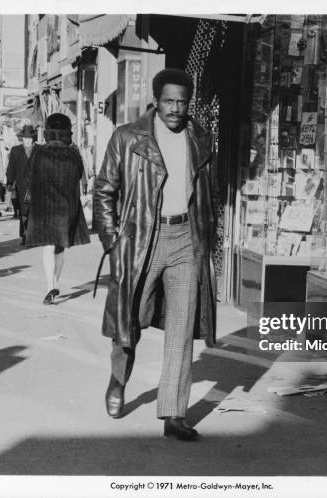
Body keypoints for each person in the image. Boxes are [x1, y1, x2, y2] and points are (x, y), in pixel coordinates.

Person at [93, 68, 217, 440]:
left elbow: (207, 197)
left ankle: (174, 414)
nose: (176, 108)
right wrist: (113, 241)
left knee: (181, 329)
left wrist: (206, 241)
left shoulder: (201, 140)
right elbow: (104, 191)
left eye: (182, 101)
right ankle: (118, 381)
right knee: (128, 322)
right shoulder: (128, 138)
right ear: (156, 100)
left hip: (185, 240)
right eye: (169, 101)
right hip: (141, 239)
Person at [24, 113, 90, 304]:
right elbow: (79, 175)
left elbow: (29, 177)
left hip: (44, 205)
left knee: (48, 246)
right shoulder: (73, 153)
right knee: (60, 247)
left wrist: (27, 201)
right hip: (66, 206)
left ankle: (50, 285)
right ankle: (55, 283)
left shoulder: (39, 153)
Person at [6, 125, 37, 243]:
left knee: (32, 210)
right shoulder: (16, 150)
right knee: (24, 210)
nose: (28, 140)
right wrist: (9, 182)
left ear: (33, 138)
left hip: (35, 185)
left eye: (30, 138)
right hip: (22, 185)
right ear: (22, 138)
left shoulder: (39, 149)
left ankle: (30, 235)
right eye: (25, 138)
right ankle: (24, 233)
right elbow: (11, 168)